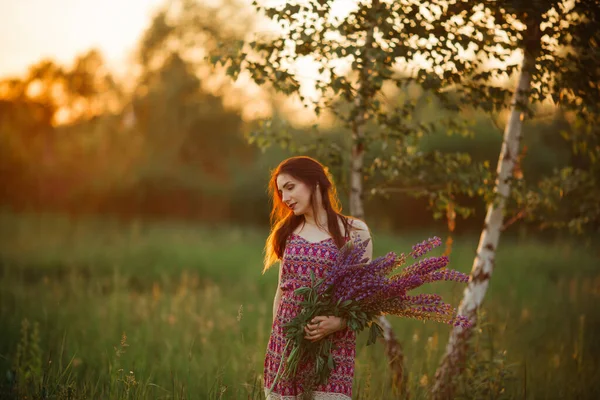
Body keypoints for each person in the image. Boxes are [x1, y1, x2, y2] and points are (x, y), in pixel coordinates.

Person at [262, 156, 373, 400]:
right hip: (287, 348)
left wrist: (339, 323)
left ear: (315, 183)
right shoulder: (286, 232)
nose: (285, 198)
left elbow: (366, 298)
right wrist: (281, 341)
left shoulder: (355, 232)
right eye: (281, 192)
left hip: (333, 352)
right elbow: (282, 291)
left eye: (290, 187)